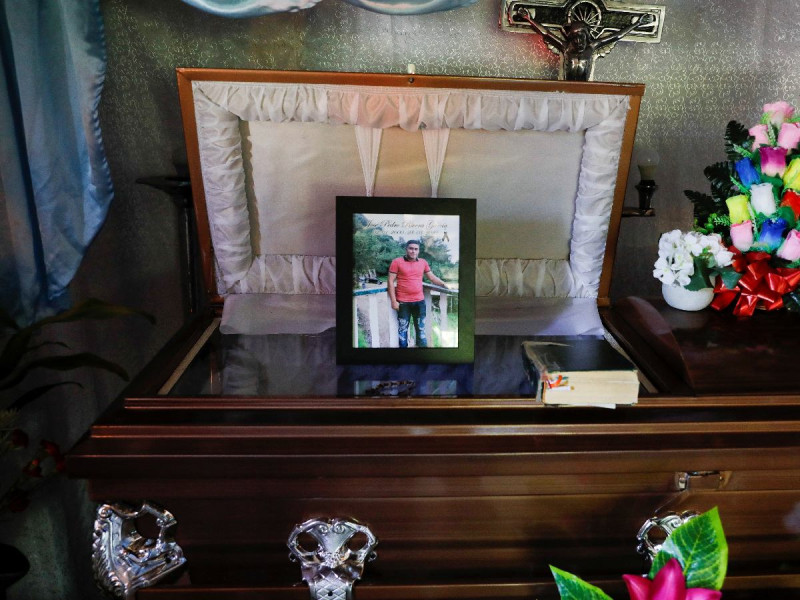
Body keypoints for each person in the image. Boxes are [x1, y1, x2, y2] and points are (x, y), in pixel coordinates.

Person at [511, 8, 653, 81]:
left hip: (586, 91)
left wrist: (637, 24)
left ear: (586, 36)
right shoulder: (565, 48)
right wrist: (528, 19)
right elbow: (545, 33)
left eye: (581, 37)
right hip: (566, 90)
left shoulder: (592, 47)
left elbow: (617, 36)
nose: (578, 41)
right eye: (574, 38)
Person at [387, 240, 448, 348]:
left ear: (418, 251)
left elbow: (432, 277)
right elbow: (390, 281)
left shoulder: (423, 262)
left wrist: (444, 284)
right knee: (403, 330)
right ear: (406, 249)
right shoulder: (397, 262)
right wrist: (393, 301)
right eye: (411, 248)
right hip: (403, 302)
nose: (413, 251)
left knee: (421, 329)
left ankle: (422, 353)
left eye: (416, 249)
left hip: (419, 302)